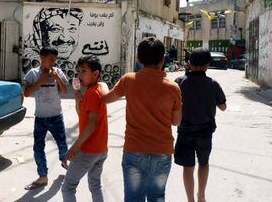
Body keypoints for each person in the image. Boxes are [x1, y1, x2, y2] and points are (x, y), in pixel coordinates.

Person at [102, 37, 182, 202]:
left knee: (133, 198)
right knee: (157, 197)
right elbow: (176, 122)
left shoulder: (129, 80)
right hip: (162, 151)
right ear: (163, 59)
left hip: (134, 150)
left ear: (138, 59)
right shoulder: (173, 88)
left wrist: (100, 86)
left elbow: (106, 99)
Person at [173, 48, 227, 202]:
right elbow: (223, 107)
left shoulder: (179, 82)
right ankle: (201, 196)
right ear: (207, 65)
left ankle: (190, 199)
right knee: (203, 163)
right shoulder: (213, 84)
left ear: (189, 63)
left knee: (187, 167)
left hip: (184, 131)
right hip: (205, 132)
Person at [62, 55, 108, 202]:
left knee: (68, 187)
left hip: (88, 150)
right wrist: (78, 101)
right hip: (101, 150)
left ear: (95, 74)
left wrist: (75, 147)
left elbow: (92, 123)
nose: (79, 75)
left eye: (83, 71)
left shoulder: (92, 93)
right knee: (95, 185)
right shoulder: (97, 89)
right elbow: (83, 117)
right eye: (78, 71)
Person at [23, 46, 69, 190]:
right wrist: (40, 82)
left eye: (55, 60)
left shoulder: (58, 72)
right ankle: (43, 176)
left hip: (57, 116)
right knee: (38, 148)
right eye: (50, 60)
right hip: (40, 118)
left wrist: (58, 79)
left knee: (62, 143)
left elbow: (65, 91)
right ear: (41, 58)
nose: (53, 63)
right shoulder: (33, 73)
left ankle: (64, 160)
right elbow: (27, 93)